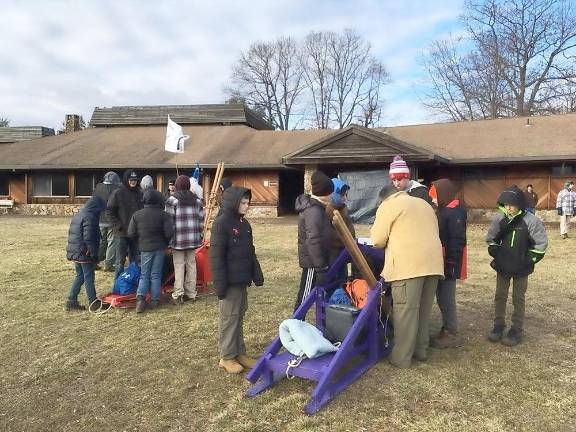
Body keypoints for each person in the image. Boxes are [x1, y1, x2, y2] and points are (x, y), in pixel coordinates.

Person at [371, 182, 444, 368]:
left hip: (408, 266)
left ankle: (401, 358)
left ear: (383, 199)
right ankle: (421, 350)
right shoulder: (424, 204)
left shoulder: (388, 206)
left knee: (406, 313)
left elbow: (377, 240)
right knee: (423, 310)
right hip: (434, 264)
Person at [210, 186, 264, 374]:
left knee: (239, 316)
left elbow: (250, 251)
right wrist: (220, 285)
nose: (246, 205)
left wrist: (256, 274)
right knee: (229, 318)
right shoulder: (222, 223)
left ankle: (239, 352)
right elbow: (216, 256)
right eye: (243, 202)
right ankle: (226, 356)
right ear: (233, 202)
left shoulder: (244, 224)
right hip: (230, 282)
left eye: (247, 202)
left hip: (242, 280)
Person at [486, 185, 548, 346]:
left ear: (519, 204)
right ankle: (498, 325)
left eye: (512, 204)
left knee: (518, 298)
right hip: (503, 266)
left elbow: (541, 244)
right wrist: (496, 253)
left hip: (522, 268)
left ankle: (516, 329)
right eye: (506, 204)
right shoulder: (499, 218)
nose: (509, 208)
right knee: (500, 296)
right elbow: (491, 239)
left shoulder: (531, 221)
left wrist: (528, 260)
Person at [428, 179, 467, 348]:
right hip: (443, 259)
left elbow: (457, 241)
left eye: (434, 197)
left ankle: (451, 332)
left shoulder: (453, 213)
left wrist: (451, 263)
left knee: (446, 298)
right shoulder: (447, 210)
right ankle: (446, 328)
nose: (433, 201)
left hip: (448, 262)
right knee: (442, 297)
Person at [128, 189, 174, 313]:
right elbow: (169, 232)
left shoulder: (136, 215)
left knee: (144, 274)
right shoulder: (163, 215)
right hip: (159, 247)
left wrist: (140, 240)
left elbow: (131, 233)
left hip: (144, 248)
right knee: (156, 274)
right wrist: (164, 241)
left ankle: (140, 299)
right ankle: (154, 300)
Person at [294, 171, 334, 311]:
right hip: (312, 262)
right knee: (305, 295)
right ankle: (296, 322)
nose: (332, 196)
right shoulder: (313, 210)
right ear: (324, 193)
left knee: (309, 293)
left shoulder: (319, 208)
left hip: (317, 261)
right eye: (330, 192)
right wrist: (319, 266)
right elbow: (314, 239)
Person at [165, 175, 204, 304]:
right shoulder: (198, 201)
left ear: (176, 186)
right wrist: (200, 235)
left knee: (179, 266)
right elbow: (201, 221)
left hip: (178, 239)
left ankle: (178, 293)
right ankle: (191, 293)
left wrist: (168, 240)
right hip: (193, 239)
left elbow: (168, 222)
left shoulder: (171, 201)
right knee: (191, 265)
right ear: (188, 185)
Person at [65, 196, 106, 311]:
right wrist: (94, 255)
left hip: (77, 251)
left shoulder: (79, 214)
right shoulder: (90, 217)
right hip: (85, 252)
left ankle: (71, 301)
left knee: (80, 276)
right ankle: (93, 303)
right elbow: (89, 238)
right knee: (89, 277)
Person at [107, 169, 144, 283]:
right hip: (121, 233)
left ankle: (132, 282)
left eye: (135, 180)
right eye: (131, 180)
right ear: (126, 180)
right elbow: (109, 212)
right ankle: (118, 284)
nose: (133, 182)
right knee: (120, 261)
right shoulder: (118, 193)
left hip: (135, 233)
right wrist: (118, 226)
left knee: (135, 260)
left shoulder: (140, 193)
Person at [326, 177, 355, 284]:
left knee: (342, 284)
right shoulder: (326, 212)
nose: (345, 198)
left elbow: (350, 232)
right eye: (342, 195)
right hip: (331, 259)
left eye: (346, 195)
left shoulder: (344, 210)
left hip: (343, 256)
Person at [93, 171, 121, 272]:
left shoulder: (98, 187)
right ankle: (108, 264)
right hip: (112, 220)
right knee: (112, 242)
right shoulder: (117, 189)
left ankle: (95, 262)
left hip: (99, 219)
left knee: (100, 242)